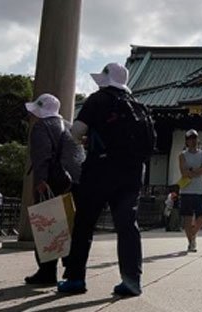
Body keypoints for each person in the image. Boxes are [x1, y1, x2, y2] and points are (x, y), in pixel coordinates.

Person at [59, 62, 152, 297]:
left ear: (106, 79)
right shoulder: (137, 105)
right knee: (127, 225)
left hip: (100, 170)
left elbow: (76, 132)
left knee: (84, 223)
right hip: (131, 173)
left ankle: (75, 278)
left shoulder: (97, 100)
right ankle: (132, 280)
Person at [23, 93, 85, 285]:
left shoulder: (42, 127)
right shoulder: (69, 125)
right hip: (73, 181)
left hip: (52, 181)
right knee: (69, 226)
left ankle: (47, 271)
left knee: (48, 225)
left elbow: (42, 156)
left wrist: (41, 180)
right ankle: (70, 267)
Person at [178, 129, 202, 252]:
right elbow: (183, 172)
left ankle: (192, 234)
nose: (193, 141)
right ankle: (191, 242)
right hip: (186, 190)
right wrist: (198, 170)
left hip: (199, 189)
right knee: (187, 217)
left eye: (195, 138)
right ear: (186, 141)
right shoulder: (182, 155)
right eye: (190, 138)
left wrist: (192, 171)